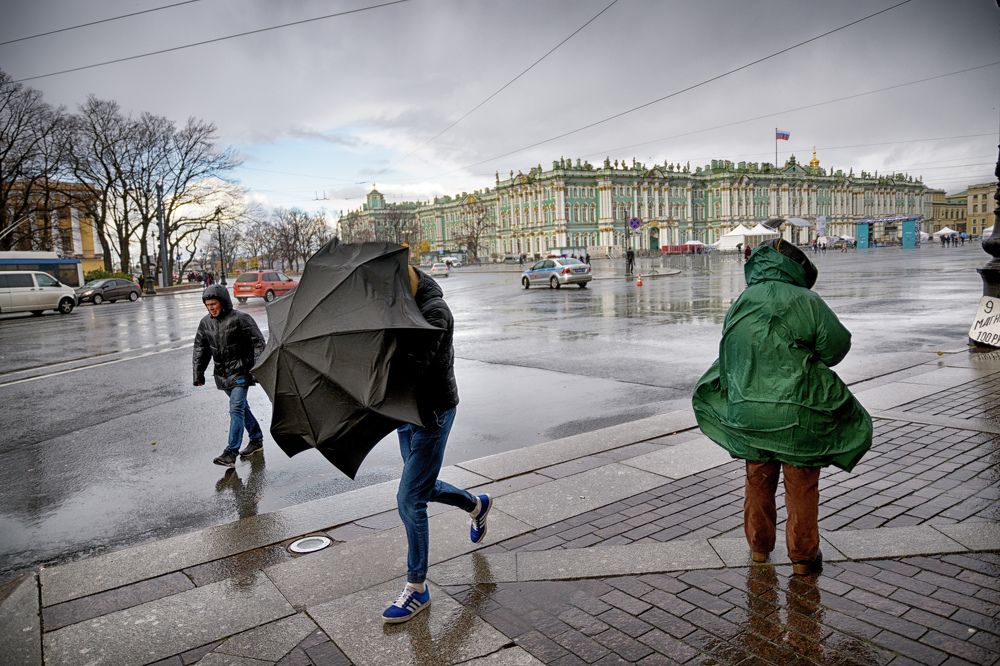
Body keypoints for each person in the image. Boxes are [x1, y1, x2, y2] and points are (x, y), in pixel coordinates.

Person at [692, 239, 872, 575]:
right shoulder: (807, 300)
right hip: (797, 412)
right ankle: (803, 559)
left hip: (750, 410)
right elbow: (835, 348)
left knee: (757, 480)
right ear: (797, 269)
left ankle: (759, 549)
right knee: (801, 484)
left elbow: (731, 349)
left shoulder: (742, 300)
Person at [381, 263, 492, 624]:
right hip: (405, 415)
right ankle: (476, 504)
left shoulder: (434, 311)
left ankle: (417, 588)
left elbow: (414, 366)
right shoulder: (401, 308)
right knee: (422, 487)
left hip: (431, 413)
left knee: (410, 497)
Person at [193, 284, 266, 468]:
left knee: (236, 410)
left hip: (241, 372)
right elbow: (200, 350)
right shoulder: (205, 323)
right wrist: (198, 374)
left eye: (214, 304)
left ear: (223, 302)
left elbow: (258, 343)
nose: (211, 308)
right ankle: (256, 439)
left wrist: (258, 369)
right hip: (222, 376)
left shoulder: (241, 319)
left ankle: (230, 453)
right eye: (208, 305)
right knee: (242, 409)